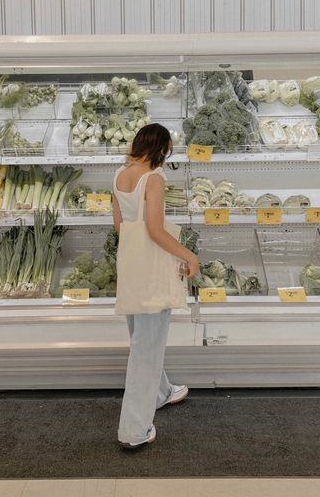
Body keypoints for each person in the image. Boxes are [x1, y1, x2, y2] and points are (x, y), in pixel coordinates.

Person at [112, 122, 200, 449]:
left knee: (142, 338)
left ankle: (162, 392)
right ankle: (134, 431)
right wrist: (188, 254)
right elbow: (155, 229)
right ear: (161, 150)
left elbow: (121, 227)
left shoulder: (119, 176)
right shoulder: (154, 179)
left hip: (131, 267)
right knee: (146, 351)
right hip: (152, 269)